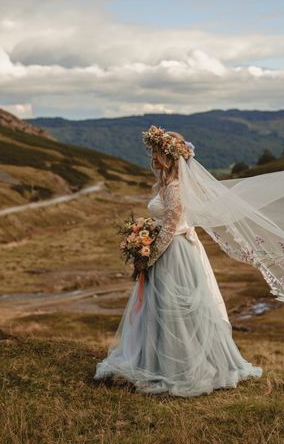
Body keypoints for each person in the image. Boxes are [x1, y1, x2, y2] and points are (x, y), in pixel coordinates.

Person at [94, 127, 263, 397]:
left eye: (157, 152)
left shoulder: (174, 188)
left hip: (174, 253)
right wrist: (145, 238)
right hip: (170, 250)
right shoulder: (166, 184)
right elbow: (165, 224)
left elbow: (171, 228)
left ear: (169, 156)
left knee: (176, 311)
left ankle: (179, 369)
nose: (153, 157)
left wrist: (147, 258)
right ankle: (157, 361)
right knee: (160, 309)